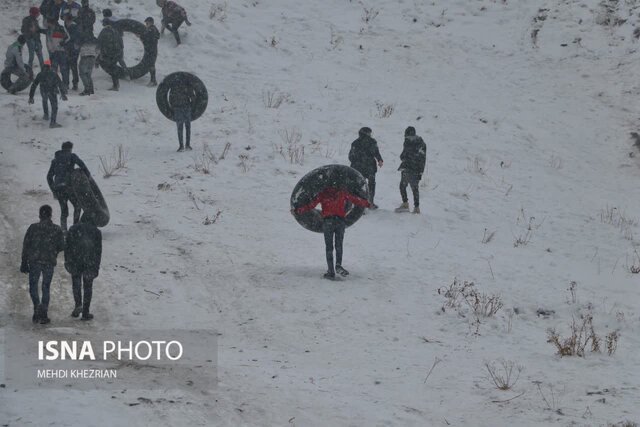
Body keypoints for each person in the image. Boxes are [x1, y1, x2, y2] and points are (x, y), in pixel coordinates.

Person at [295, 186, 370, 279]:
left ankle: (331, 271)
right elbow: (355, 200)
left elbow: (311, 205)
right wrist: (367, 204)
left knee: (329, 247)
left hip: (328, 222)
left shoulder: (323, 194)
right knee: (339, 245)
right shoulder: (342, 192)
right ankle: (338, 265)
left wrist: (298, 210)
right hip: (340, 221)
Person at [20, 205, 65, 324]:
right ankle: (44, 312)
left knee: (33, 285)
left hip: (34, 261)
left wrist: (24, 262)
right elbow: (62, 245)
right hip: (49, 261)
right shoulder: (56, 229)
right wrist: (53, 251)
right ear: (50, 215)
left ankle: (36, 307)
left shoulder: (33, 228)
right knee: (46, 287)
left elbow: (26, 246)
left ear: (40, 215)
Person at [46, 141, 90, 230]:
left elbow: (49, 176)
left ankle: (63, 230)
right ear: (70, 149)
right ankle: (75, 228)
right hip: (69, 187)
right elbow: (83, 166)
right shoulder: (72, 156)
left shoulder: (55, 160)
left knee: (64, 210)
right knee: (77, 206)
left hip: (58, 188)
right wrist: (88, 179)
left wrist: (53, 190)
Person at [65, 220, 101, 321]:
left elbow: (67, 246)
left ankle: (78, 305)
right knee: (88, 286)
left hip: (75, 260)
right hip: (90, 262)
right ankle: (85, 312)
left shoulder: (73, 229)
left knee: (76, 283)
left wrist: (67, 261)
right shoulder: (96, 232)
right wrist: (96, 266)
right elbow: (98, 251)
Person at [348, 127, 383, 209]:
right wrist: (380, 160)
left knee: (359, 185)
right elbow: (376, 152)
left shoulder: (355, 143)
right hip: (370, 167)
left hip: (358, 168)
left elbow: (350, 157)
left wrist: (356, 161)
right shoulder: (372, 142)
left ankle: (359, 204)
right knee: (371, 185)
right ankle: (370, 203)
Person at [395, 126, 427, 214]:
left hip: (408, 167)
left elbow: (404, 154)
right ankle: (417, 208)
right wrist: (421, 170)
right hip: (417, 169)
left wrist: (403, 157)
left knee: (402, 186)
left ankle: (405, 204)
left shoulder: (408, 141)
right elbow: (423, 158)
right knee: (415, 188)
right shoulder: (422, 143)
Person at [29, 58, 68, 128]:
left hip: (43, 90)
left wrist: (31, 97)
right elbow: (60, 84)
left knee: (44, 100)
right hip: (52, 91)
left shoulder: (40, 74)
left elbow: (34, 85)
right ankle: (53, 123)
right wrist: (63, 94)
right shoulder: (53, 74)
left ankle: (46, 115)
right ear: (50, 66)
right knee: (54, 106)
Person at [97, 18, 126, 90]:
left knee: (111, 68)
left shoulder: (104, 31)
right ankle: (117, 83)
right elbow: (120, 42)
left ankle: (116, 85)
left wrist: (99, 54)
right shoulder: (115, 31)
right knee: (114, 67)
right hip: (116, 53)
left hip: (109, 53)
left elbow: (99, 43)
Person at [45, 17, 70, 90]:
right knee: (54, 70)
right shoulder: (49, 31)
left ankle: (65, 85)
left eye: (48, 23)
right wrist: (50, 51)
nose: (47, 24)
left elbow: (68, 37)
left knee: (63, 69)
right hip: (55, 52)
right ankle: (55, 86)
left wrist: (63, 42)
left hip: (61, 51)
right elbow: (48, 42)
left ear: (50, 23)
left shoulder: (61, 28)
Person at [169, 82, 195, 151]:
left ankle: (182, 146)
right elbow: (193, 97)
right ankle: (187, 145)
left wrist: (173, 107)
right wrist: (191, 105)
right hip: (185, 108)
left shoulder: (174, 87)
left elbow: (170, 98)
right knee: (187, 127)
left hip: (179, 108)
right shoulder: (188, 86)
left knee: (180, 128)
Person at [63, 14, 81, 90]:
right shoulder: (68, 26)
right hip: (70, 48)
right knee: (70, 67)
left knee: (71, 66)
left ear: (68, 20)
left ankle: (73, 83)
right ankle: (70, 83)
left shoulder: (74, 27)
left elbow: (74, 37)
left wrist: (65, 41)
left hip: (72, 49)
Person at [141, 17, 159, 86]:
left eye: (147, 23)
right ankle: (153, 81)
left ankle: (153, 81)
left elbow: (148, 38)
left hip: (151, 50)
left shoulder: (151, 30)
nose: (146, 24)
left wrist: (141, 37)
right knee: (151, 65)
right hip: (153, 50)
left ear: (150, 23)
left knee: (151, 65)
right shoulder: (154, 29)